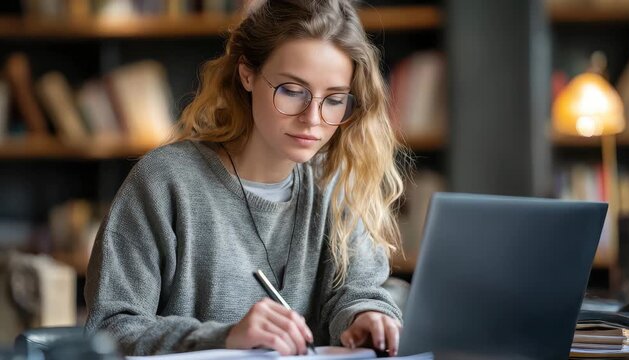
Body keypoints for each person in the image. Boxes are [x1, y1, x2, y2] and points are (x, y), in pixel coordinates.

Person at [84, 0, 408, 356]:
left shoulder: (337, 181)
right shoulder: (164, 182)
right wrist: (224, 336)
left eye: (334, 100)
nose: (313, 119)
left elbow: (358, 291)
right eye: (292, 91)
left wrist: (366, 315)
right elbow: (108, 329)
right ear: (247, 74)